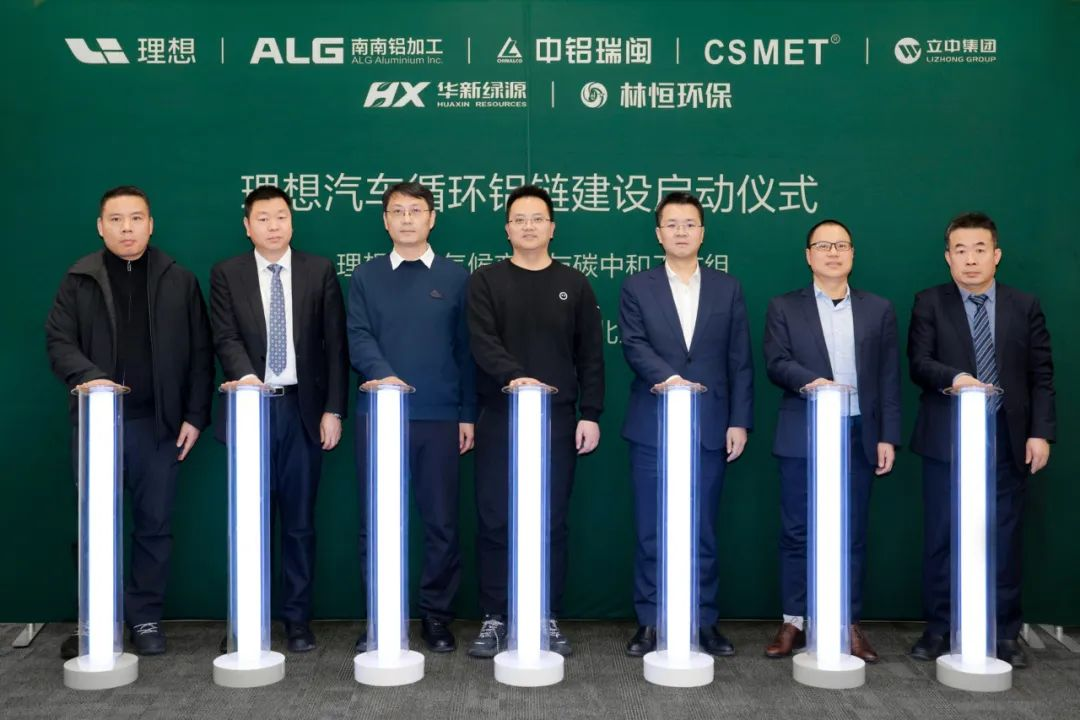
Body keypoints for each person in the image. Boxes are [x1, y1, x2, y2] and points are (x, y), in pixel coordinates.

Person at [46, 185, 213, 657]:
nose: (126, 228)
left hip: (158, 428)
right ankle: (95, 621)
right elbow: (58, 341)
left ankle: (145, 618)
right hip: (97, 425)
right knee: (94, 527)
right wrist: (91, 378)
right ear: (101, 227)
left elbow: (201, 353)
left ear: (150, 224)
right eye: (116, 220)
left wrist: (194, 416)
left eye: (136, 218)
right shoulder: (79, 279)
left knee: (154, 526)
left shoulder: (179, 280)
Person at [908, 212, 1055, 669]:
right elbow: (919, 363)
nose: (970, 259)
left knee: (1003, 539)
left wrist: (1040, 432)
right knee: (942, 538)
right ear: (948, 258)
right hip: (947, 443)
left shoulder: (1023, 305)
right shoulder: (929, 302)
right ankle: (940, 627)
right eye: (960, 251)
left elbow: (1041, 375)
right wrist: (956, 378)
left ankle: (1004, 632)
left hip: (1007, 442)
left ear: (996, 255)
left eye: (979, 250)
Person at [466, 185, 605, 658]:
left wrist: (591, 414)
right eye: (519, 219)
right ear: (507, 229)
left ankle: (546, 614)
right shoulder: (485, 281)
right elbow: (482, 343)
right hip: (500, 416)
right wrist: (517, 377)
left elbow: (590, 356)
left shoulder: (575, 283)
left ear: (552, 228)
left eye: (537, 218)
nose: (528, 226)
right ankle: (495, 616)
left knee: (551, 521)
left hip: (558, 421)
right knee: (495, 520)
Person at [209, 185, 348, 653]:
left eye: (281, 217)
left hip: (302, 412)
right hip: (252, 407)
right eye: (263, 218)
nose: (273, 226)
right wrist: (247, 378)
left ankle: (297, 620)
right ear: (247, 226)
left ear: (292, 221)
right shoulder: (227, 273)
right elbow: (225, 336)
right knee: (251, 522)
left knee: (299, 523)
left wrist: (333, 409)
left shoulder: (318, 270)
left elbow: (335, 346)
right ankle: (248, 620)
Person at [618, 191, 753, 658]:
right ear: (659, 234)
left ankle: (704, 619)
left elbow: (739, 359)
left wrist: (739, 421)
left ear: (702, 232)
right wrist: (671, 380)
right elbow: (633, 345)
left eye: (689, 224)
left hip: (710, 426)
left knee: (703, 531)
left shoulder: (727, 288)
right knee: (652, 530)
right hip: (652, 426)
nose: (681, 231)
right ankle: (651, 621)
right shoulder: (637, 286)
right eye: (672, 224)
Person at [761, 219, 901, 663]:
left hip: (858, 432)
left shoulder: (878, 309)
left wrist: (888, 436)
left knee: (851, 533)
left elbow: (889, 377)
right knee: (797, 531)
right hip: (803, 432)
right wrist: (814, 382)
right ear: (809, 256)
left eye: (841, 246)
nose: (833, 253)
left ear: (853, 254)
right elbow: (776, 362)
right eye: (823, 246)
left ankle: (846, 622)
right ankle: (794, 620)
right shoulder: (784, 306)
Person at [347, 181, 476, 653]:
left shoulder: (457, 277)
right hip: (379, 416)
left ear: (432, 218)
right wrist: (385, 377)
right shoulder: (365, 276)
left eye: (415, 210)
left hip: (439, 417)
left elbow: (467, 352)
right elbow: (358, 336)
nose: (406, 219)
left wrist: (466, 414)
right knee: (377, 523)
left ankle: (436, 617)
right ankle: (382, 617)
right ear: (385, 221)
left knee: (441, 523)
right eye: (397, 211)